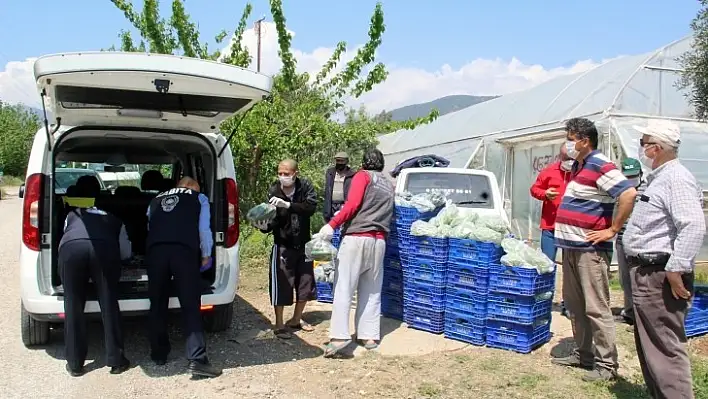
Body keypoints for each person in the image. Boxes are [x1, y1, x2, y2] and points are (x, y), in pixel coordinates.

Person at [623, 120, 705, 398]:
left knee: (665, 349)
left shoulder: (675, 178)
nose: (641, 147)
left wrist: (677, 268)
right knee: (652, 346)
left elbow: (693, 225)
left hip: (659, 274)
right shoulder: (659, 177)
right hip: (647, 272)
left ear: (655, 148)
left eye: (644, 142)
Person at [551, 117, 637, 382]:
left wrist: (612, 229)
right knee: (576, 306)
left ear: (584, 140)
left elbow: (628, 194)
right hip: (571, 248)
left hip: (590, 250)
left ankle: (606, 364)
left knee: (596, 308)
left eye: (570, 138)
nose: (567, 143)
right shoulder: (579, 165)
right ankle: (584, 354)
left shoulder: (601, 165)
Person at [318, 148, 395, 358]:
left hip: (357, 238)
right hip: (379, 241)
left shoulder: (362, 176)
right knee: (371, 290)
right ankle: (369, 336)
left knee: (344, 287)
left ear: (364, 163)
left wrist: (331, 225)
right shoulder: (388, 184)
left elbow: (352, 205)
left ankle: (340, 337)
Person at [145, 177, 221, 378]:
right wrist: (206, 254)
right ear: (189, 186)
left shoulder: (155, 200)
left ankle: (159, 354)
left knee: (157, 302)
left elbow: (149, 226)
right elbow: (203, 229)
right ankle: (197, 360)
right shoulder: (199, 198)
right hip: (183, 252)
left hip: (156, 252)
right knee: (189, 304)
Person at [58, 175, 132, 377]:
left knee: (73, 304)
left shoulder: (72, 215)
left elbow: (65, 237)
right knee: (108, 302)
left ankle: (74, 364)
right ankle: (116, 361)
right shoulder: (114, 219)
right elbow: (125, 252)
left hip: (71, 250)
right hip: (104, 250)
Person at [252, 159, 318, 339]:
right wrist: (263, 225)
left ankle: (297, 318)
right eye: (280, 173)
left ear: (295, 173)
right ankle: (279, 324)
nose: (283, 177)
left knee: (306, 282)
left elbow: (310, 208)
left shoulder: (305, 187)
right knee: (281, 283)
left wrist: (289, 205)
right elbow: (272, 219)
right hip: (283, 244)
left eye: (286, 174)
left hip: (304, 243)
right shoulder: (274, 190)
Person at [529, 145, 572, 316]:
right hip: (550, 227)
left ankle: (568, 304)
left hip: (571, 229)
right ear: (559, 157)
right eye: (565, 158)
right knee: (546, 265)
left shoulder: (580, 173)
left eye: (572, 159)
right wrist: (545, 194)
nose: (568, 163)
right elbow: (534, 189)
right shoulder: (549, 171)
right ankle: (544, 300)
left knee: (570, 268)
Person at [613, 158, 645, 326]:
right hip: (622, 237)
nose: (631, 179)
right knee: (625, 278)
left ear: (640, 174)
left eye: (634, 176)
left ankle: (642, 315)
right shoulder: (620, 190)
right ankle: (630, 312)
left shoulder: (649, 189)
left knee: (639, 278)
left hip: (641, 241)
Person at [323, 152, 355, 223]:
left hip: (343, 204)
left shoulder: (351, 174)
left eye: (342, 161)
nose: (339, 163)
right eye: (338, 161)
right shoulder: (330, 172)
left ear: (346, 161)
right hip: (331, 205)